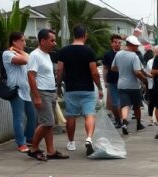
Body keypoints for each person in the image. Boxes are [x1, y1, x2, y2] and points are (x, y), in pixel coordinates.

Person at [57, 24, 103, 155]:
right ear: (85, 35)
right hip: (87, 89)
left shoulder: (64, 51)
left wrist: (59, 85)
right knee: (89, 114)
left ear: (74, 35)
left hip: (71, 89)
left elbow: (59, 69)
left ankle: (71, 143)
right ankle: (88, 138)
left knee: (71, 116)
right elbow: (94, 72)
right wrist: (99, 87)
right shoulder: (89, 51)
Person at [26, 29, 66, 160]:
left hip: (50, 92)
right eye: (52, 40)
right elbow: (31, 76)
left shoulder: (47, 55)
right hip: (42, 93)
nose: (54, 43)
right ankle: (34, 148)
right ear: (42, 41)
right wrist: (36, 96)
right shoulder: (35, 55)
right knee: (47, 122)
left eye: (55, 40)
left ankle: (51, 151)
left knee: (49, 124)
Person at [2, 31, 36, 153]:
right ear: (14, 41)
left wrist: (19, 51)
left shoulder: (21, 53)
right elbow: (26, 60)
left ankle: (29, 138)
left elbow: (29, 58)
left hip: (26, 91)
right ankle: (21, 143)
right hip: (16, 91)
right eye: (22, 40)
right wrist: (17, 51)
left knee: (33, 116)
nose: (24, 43)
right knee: (19, 117)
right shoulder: (7, 54)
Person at [111, 35, 146, 135]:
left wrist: (122, 70)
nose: (137, 48)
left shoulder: (118, 54)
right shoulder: (134, 56)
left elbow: (113, 68)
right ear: (131, 45)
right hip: (133, 85)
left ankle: (125, 122)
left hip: (121, 84)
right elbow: (137, 72)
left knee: (125, 105)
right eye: (136, 46)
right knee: (136, 106)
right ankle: (139, 124)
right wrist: (144, 80)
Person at [101, 34, 122, 128]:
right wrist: (105, 81)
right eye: (115, 42)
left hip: (123, 81)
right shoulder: (107, 54)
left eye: (119, 42)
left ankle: (122, 119)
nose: (117, 44)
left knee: (123, 102)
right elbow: (105, 68)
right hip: (112, 80)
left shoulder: (124, 53)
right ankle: (118, 120)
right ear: (111, 43)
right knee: (114, 102)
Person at [145, 45, 158, 126]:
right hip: (152, 84)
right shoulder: (150, 62)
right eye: (157, 51)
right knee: (151, 102)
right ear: (154, 53)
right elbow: (147, 72)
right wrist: (152, 75)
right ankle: (151, 118)